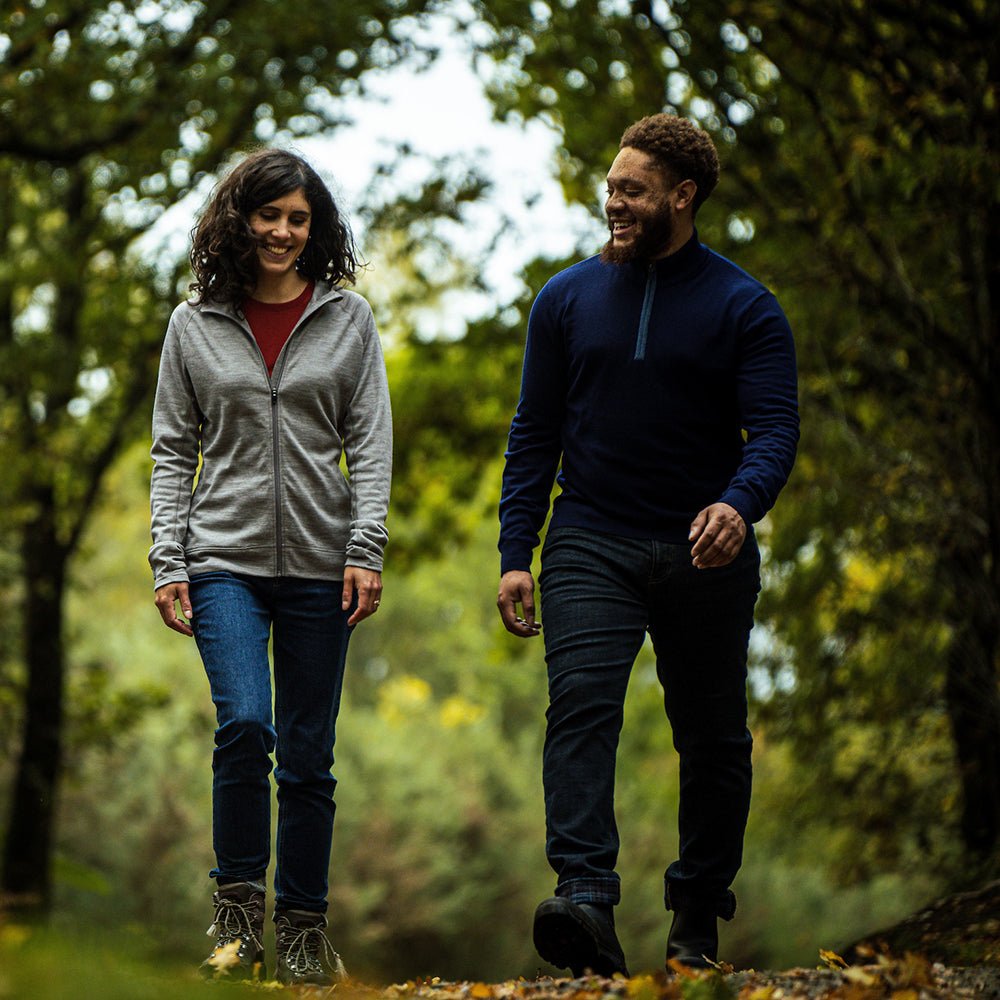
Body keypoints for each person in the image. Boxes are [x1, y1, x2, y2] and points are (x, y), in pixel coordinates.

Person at [496, 113, 799, 976]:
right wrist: (519, 552)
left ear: (682, 195)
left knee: (712, 738)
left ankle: (697, 914)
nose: (614, 202)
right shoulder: (565, 299)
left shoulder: (745, 306)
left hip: (706, 549)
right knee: (582, 704)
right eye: (612, 187)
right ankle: (585, 898)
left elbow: (775, 428)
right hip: (591, 535)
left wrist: (740, 506)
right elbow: (534, 433)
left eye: (632, 190)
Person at [149, 148, 392, 985]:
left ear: (313, 228)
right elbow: (173, 451)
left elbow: (370, 442)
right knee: (245, 722)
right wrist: (166, 559)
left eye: (299, 218)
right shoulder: (194, 324)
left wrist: (365, 549)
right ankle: (237, 914)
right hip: (222, 560)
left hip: (325, 565)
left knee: (310, 751)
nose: (284, 232)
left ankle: (300, 930)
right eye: (269, 215)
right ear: (239, 221)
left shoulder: (347, 321)